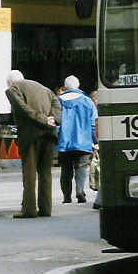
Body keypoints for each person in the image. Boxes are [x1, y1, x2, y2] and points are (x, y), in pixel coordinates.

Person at [5, 70, 61, 218]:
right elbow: (56, 103)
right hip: (49, 133)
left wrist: (41, 119)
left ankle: (29, 209)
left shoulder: (12, 89)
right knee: (45, 173)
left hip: (30, 135)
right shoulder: (44, 88)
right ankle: (45, 209)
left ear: (10, 82)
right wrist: (53, 119)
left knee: (29, 173)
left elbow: (22, 108)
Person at [56, 76, 98, 204]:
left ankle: (66, 197)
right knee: (81, 167)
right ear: (78, 86)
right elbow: (93, 124)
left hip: (64, 143)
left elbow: (55, 122)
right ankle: (80, 191)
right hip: (83, 142)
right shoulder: (87, 101)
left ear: (65, 87)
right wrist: (95, 140)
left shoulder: (57, 101)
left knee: (65, 169)